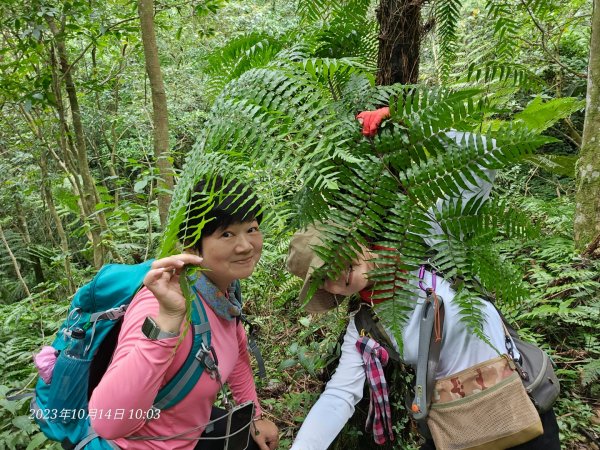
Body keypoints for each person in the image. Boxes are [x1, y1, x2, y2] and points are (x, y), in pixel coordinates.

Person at [285, 110, 561, 450]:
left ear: (355, 237)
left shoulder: (430, 244)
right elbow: (339, 397)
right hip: (460, 431)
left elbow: (483, 154)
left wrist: (412, 132)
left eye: (333, 256)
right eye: (321, 278)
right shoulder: (366, 327)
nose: (333, 274)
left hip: (524, 414)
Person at [89, 176, 279, 450]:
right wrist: (166, 321)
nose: (246, 246)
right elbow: (107, 422)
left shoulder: (221, 293)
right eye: (226, 234)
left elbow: (236, 354)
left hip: (190, 434)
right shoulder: (161, 304)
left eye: (251, 229)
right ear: (192, 246)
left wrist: (255, 417)